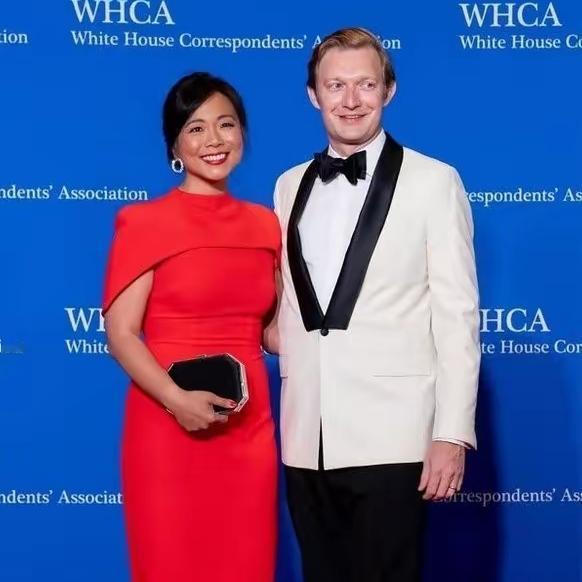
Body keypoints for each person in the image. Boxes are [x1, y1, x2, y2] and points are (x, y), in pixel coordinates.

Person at [272, 27, 480, 582]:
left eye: (365, 84)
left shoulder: (435, 181)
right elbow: (290, 305)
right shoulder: (288, 185)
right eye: (335, 85)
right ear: (313, 94)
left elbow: (457, 315)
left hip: (395, 434)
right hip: (305, 435)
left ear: (388, 90)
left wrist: (451, 433)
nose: (350, 100)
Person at [103, 72, 279, 582]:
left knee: (246, 564)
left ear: (242, 132)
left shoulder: (266, 224)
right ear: (175, 145)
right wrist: (175, 399)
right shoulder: (145, 222)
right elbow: (121, 333)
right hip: (166, 427)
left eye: (226, 124)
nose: (214, 140)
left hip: (248, 428)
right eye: (196, 128)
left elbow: (273, 332)